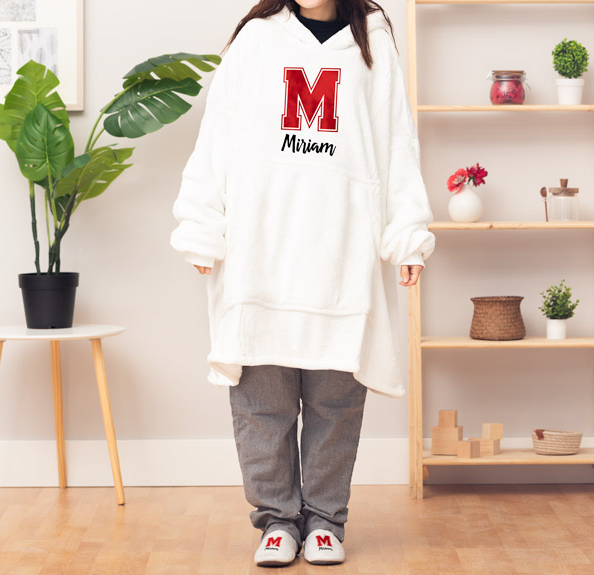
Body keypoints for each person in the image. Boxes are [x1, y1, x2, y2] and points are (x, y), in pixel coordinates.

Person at [170, 0, 435, 567]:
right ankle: (276, 521)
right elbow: (218, 133)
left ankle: (324, 521)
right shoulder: (257, 39)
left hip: (342, 250)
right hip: (261, 248)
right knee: (261, 399)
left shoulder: (372, 40)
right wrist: (200, 225)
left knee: (335, 401)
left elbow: (396, 142)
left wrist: (407, 233)